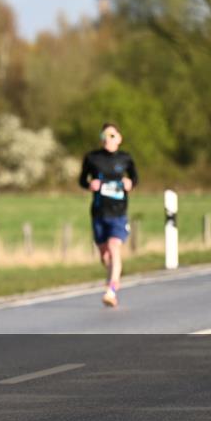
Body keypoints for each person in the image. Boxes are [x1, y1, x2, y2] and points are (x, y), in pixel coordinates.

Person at [78, 123, 138, 307]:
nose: (108, 139)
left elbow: (135, 178)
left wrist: (130, 183)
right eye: (105, 135)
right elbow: (82, 179)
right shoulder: (92, 158)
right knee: (105, 256)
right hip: (99, 212)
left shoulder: (125, 159)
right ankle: (114, 275)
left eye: (112, 135)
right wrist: (90, 185)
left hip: (119, 212)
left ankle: (111, 290)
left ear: (119, 138)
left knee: (114, 247)